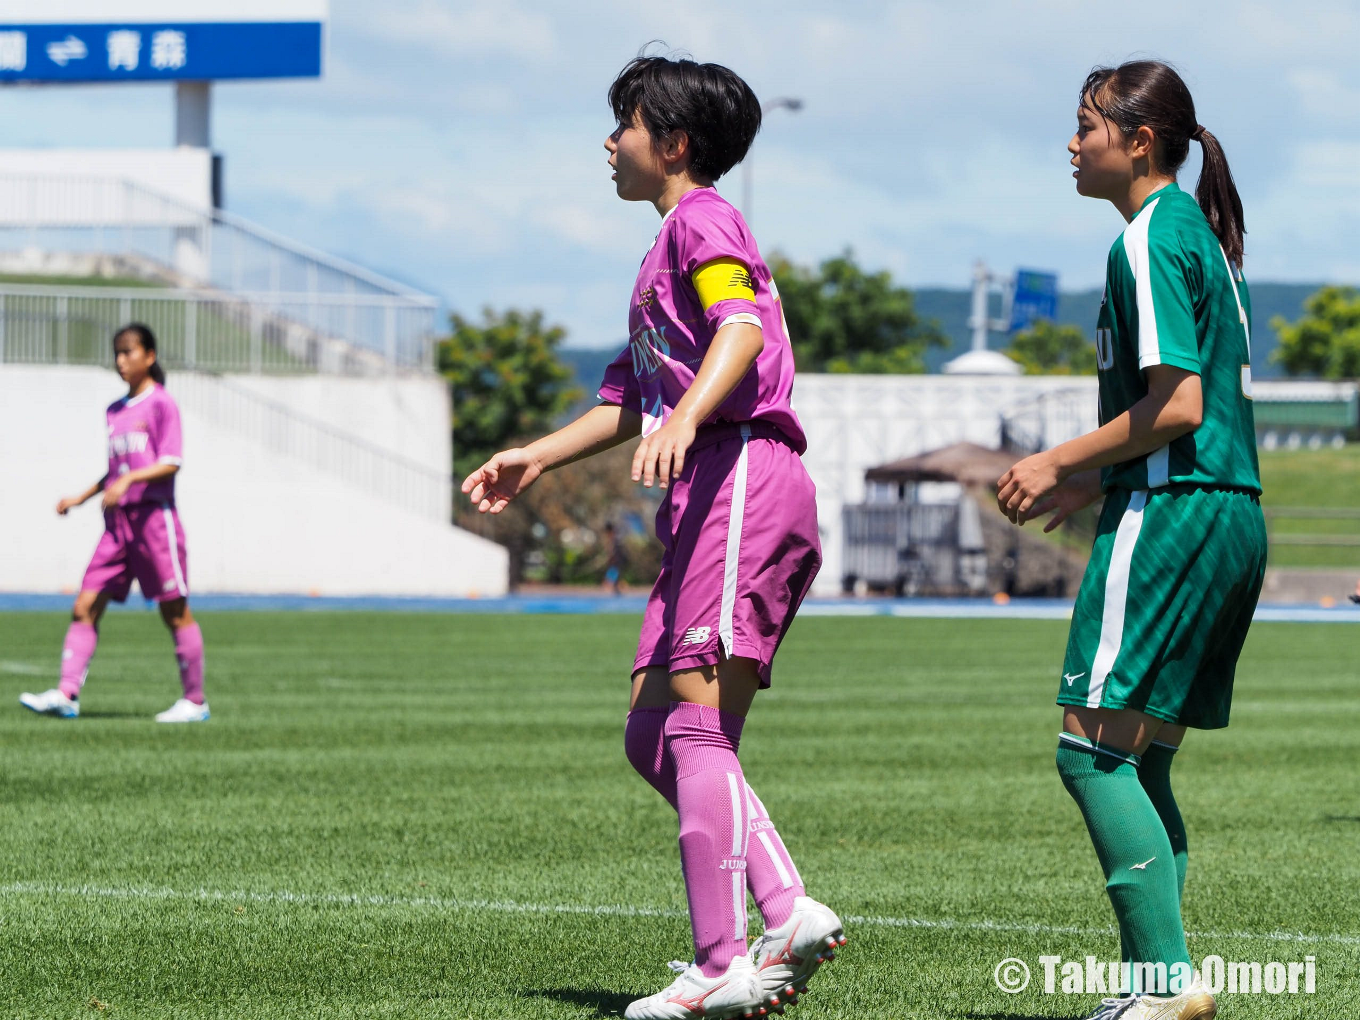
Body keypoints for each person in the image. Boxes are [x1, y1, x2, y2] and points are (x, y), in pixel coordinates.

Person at [462, 54, 843, 1020]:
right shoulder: (662, 248)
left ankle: (719, 965)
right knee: (651, 731)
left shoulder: (704, 220)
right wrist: (535, 455)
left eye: (622, 123)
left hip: (742, 469)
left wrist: (688, 421)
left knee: (697, 723)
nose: (608, 141)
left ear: (672, 143)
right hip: (708, 483)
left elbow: (741, 329)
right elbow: (629, 398)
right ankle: (787, 908)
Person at [996, 61, 1265, 1020]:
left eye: (1085, 126)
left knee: (1089, 753)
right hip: (1226, 512)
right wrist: (1098, 479)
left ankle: (1162, 986)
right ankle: (1157, 986)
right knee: (1139, 759)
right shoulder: (1200, 237)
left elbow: (1178, 404)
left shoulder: (1151, 237)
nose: (1071, 144)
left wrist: (1056, 461)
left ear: (1138, 141)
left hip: (1175, 509)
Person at [21, 324, 209, 724]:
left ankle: (195, 702)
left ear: (150, 356)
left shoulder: (162, 404)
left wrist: (128, 481)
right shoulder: (114, 411)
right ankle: (67, 693)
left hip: (154, 522)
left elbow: (170, 461)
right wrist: (80, 497)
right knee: (85, 605)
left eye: (129, 352)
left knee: (175, 611)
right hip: (117, 527)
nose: (121, 360)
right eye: (117, 353)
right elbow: (115, 471)